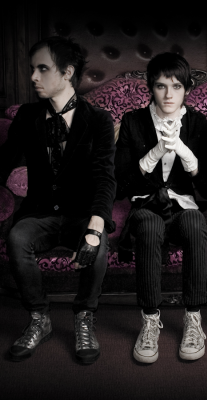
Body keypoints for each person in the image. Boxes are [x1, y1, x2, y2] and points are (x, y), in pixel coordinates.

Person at [0, 36, 116, 364]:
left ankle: (84, 317)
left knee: (99, 245)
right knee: (17, 237)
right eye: (32, 69)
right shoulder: (27, 116)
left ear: (67, 73)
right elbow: (4, 161)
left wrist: (95, 226)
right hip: (40, 213)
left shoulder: (98, 120)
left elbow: (105, 177)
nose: (33, 77)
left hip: (82, 213)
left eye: (42, 69)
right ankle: (39, 318)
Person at [115, 52, 207, 363]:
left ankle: (193, 317)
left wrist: (185, 153)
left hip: (184, 205)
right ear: (151, 88)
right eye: (161, 86)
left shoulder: (197, 122)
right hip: (145, 203)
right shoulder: (133, 121)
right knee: (149, 225)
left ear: (187, 88)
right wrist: (155, 152)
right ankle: (149, 320)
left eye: (176, 86)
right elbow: (121, 185)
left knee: (196, 223)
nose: (169, 94)